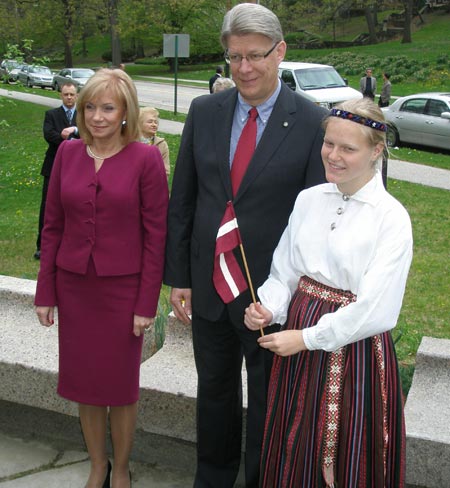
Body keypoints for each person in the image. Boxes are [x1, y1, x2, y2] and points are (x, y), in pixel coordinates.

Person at [164, 3, 327, 487]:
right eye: (234, 57)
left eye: (255, 56)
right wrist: (179, 278)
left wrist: (297, 295)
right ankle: (213, 477)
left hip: (269, 295)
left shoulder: (311, 121)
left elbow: (314, 220)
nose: (244, 69)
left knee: (266, 398)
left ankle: (260, 477)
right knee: (213, 391)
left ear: (280, 52)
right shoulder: (205, 110)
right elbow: (184, 199)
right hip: (208, 286)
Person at [244, 98, 413, 487]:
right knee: (293, 440)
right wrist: (268, 308)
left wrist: (306, 338)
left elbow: (376, 310)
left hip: (352, 349)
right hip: (296, 340)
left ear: (376, 151)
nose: (333, 156)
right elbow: (285, 270)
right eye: (329, 144)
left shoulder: (390, 218)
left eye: (348, 148)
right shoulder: (309, 199)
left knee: (338, 452)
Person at [34, 68, 169, 488]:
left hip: (122, 292)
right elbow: (52, 226)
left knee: (119, 386)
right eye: (89, 106)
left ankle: (122, 467)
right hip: (75, 289)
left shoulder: (145, 158)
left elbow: (155, 237)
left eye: (107, 107)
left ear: (125, 110)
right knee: (85, 383)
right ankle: (98, 465)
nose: (96, 116)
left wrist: (146, 304)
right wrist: (45, 292)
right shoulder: (68, 154)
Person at [34, 81, 79, 260]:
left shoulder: (83, 116)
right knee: (48, 205)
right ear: (61, 95)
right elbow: (50, 135)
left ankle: (69, 244)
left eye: (72, 94)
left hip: (77, 168)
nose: (69, 97)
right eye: (66, 94)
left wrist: (74, 131)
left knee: (74, 206)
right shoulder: (51, 114)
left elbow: (88, 134)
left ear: (77, 96)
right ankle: (42, 246)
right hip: (53, 166)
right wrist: (71, 141)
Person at [139, 106, 170, 178]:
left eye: (156, 122)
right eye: (150, 122)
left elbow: (166, 172)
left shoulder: (162, 144)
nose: (154, 125)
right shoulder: (130, 142)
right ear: (140, 124)